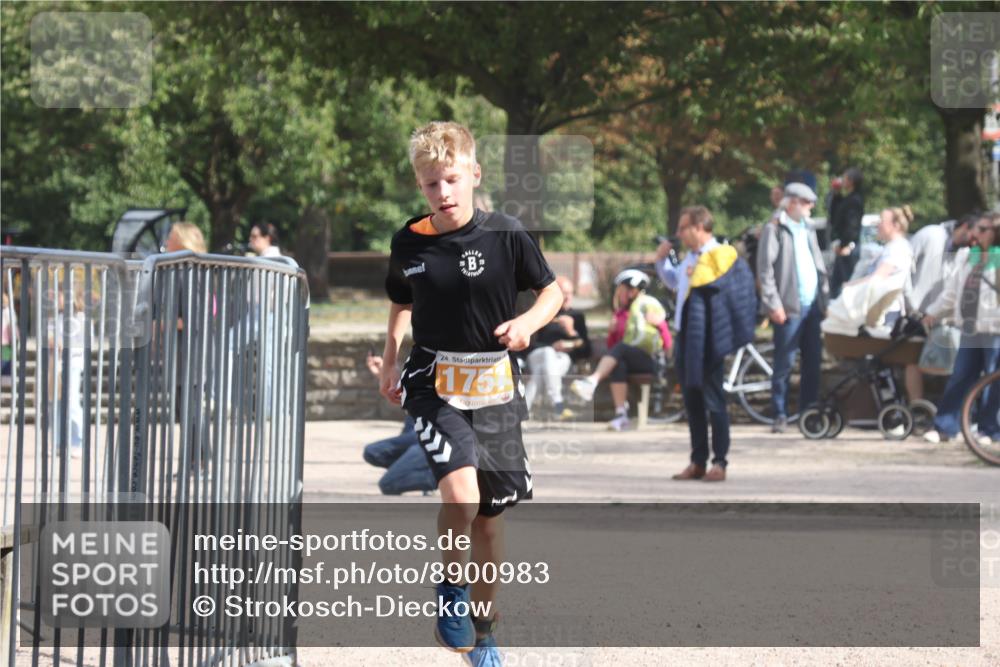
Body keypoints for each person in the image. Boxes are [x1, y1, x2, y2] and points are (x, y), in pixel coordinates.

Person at [380, 121, 561, 664]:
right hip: (434, 384)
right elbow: (401, 301)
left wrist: (526, 323)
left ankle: (484, 631)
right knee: (463, 498)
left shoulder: (507, 233)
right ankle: (451, 591)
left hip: (495, 387)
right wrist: (389, 360)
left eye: (452, 179)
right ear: (420, 186)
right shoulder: (409, 241)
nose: (444, 192)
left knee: (489, 518)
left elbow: (551, 292)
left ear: (475, 175)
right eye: (431, 184)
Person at [670, 206, 757, 482]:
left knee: (714, 400)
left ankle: (720, 462)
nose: (679, 234)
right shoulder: (689, 259)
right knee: (692, 401)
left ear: (698, 227)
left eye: (683, 228)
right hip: (687, 335)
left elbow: (738, 294)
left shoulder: (723, 256)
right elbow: (678, 288)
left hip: (710, 337)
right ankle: (697, 462)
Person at [922, 212, 1000, 445]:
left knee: (993, 380)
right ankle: (945, 426)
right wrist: (933, 312)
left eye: (983, 230)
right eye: (977, 228)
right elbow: (952, 291)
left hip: (995, 329)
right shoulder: (968, 257)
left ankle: (989, 429)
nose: (976, 233)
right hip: (970, 328)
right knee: (960, 377)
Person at [757, 182, 829, 433]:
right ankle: (779, 414)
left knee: (813, 363)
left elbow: (818, 264)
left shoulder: (807, 228)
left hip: (812, 306)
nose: (811, 207)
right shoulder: (774, 229)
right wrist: (773, 304)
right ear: (792, 203)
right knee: (784, 363)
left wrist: (824, 300)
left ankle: (808, 414)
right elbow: (765, 270)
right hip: (788, 307)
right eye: (807, 202)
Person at [569, 270, 667, 431]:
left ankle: (592, 381)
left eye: (622, 290)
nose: (618, 294)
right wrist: (612, 332)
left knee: (621, 349)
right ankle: (621, 415)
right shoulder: (619, 314)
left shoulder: (647, 308)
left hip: (649, 361)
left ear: (633, 291)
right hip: (626, 359)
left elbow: (666, 342)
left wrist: (659, 324)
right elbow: (612, 349)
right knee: (618, 364)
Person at [903, 213, 976, 400]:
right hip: (914, 312)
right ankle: (916, 405)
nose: (974, 241)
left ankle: (932, 405)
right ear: (965, 227)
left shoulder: (965, 251)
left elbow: (952, 288)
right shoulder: (931, 234)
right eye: (974, 234)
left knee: (941, 361)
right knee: (912, 359)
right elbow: (904, 266)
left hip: (937, 316)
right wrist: (909, 301)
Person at [361, 352, 437, 495]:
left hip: (433, 436)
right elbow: (405, 395)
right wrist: (384, 373)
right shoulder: (422, 362)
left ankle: (446, 477)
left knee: (388, 484)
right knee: (372, 452)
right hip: (414, 433)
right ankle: (425, 469)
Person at [524, 276, 591, 420]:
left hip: (562, 360)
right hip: (538, 355)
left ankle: (525, 411)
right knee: (548, 352)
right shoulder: (542, 313)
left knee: (541, 372)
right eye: (564, 293)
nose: (568, 297)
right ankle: (557, 404)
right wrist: (552, 346)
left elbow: (586, 351)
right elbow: (528, 344)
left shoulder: (577, 316)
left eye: (570, 293)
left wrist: (571, 332)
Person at [828, 168, 865, 299]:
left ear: (851, 181)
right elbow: (833, 217)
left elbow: (852, 226)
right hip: (843, 246)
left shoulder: (855, 200)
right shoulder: (848, 199)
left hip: (848, 248)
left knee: (844, 285)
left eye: (845, 178)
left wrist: (844, 245)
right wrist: (836, 194)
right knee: (836, 284)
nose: (842, 181)